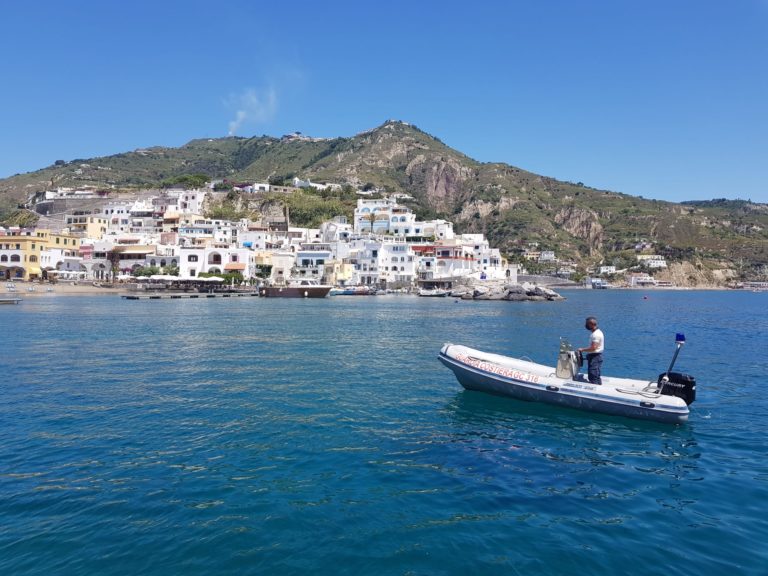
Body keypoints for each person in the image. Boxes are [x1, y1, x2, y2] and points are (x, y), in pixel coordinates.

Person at [578, 316, 604, 385]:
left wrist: (582, 349)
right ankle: (599, 386)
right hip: (595, 356)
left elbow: (593, 348)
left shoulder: (596, 334)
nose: (586, 325)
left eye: (587, 324)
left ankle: (595, 389)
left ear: (591, 324)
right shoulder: (595, 333)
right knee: (596, 374)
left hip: (595, 357)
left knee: (593, 374)